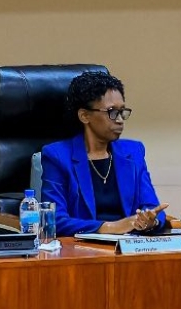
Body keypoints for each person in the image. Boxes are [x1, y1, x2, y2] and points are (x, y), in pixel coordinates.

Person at [40, 71, 169, 236]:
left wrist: (150, 221)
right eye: (112, 112)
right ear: (85, 116)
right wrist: (109, 227)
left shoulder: (133, 152)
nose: (120, 119)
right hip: (83, 251)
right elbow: (54, 220)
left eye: (122, 111)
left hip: (130, 247)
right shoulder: (57, 156)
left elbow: (151, 206)